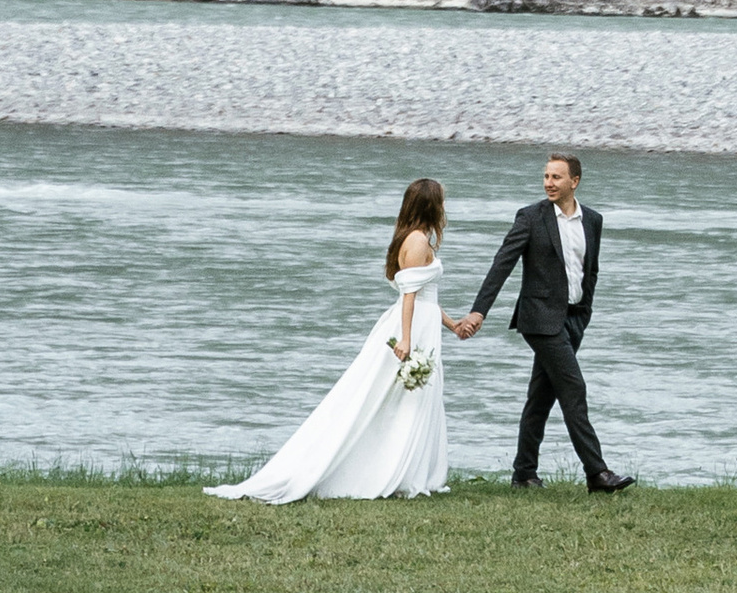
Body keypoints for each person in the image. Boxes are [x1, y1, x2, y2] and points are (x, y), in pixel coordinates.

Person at [204, 173, 467, 504]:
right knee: (394, 399)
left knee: (415, 398)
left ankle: (411, 469)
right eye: (441, 200)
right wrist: (406, 340)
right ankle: (386, 470)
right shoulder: (416, 243)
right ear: (432, 205)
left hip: (423, 324)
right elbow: (410, 297)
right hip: (411, 328)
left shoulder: (416, 239)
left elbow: (426, 297)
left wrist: (452, 324)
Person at [455, 148, 632, 493]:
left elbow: (589, 271)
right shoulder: (530, 217)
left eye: (556, 177)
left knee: (541, 397)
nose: (548, 183)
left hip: (574, 319)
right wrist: (479, 310)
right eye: (546, 176)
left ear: (574, 181)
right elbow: (501, 265)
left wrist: (584, 312)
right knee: (573, 388)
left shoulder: (593, 220)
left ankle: (524, 473)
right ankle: (598, 473)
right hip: (539, 320)